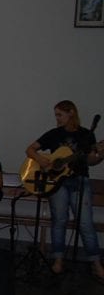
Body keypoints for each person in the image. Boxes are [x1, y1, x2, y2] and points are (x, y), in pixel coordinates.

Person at [24, 100, 104, 278]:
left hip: (79, 180)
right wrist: (42, 160)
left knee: (85, 223)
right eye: (56, 115)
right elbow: (30, 149)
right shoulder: (54, 134)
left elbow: (91, 160)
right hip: (58, 183)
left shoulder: (86, 135)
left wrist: (100, 155)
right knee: (59, 220)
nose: (57, 118)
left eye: (60, 114)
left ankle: (96, 264)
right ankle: (58, 260)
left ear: (71, 113)